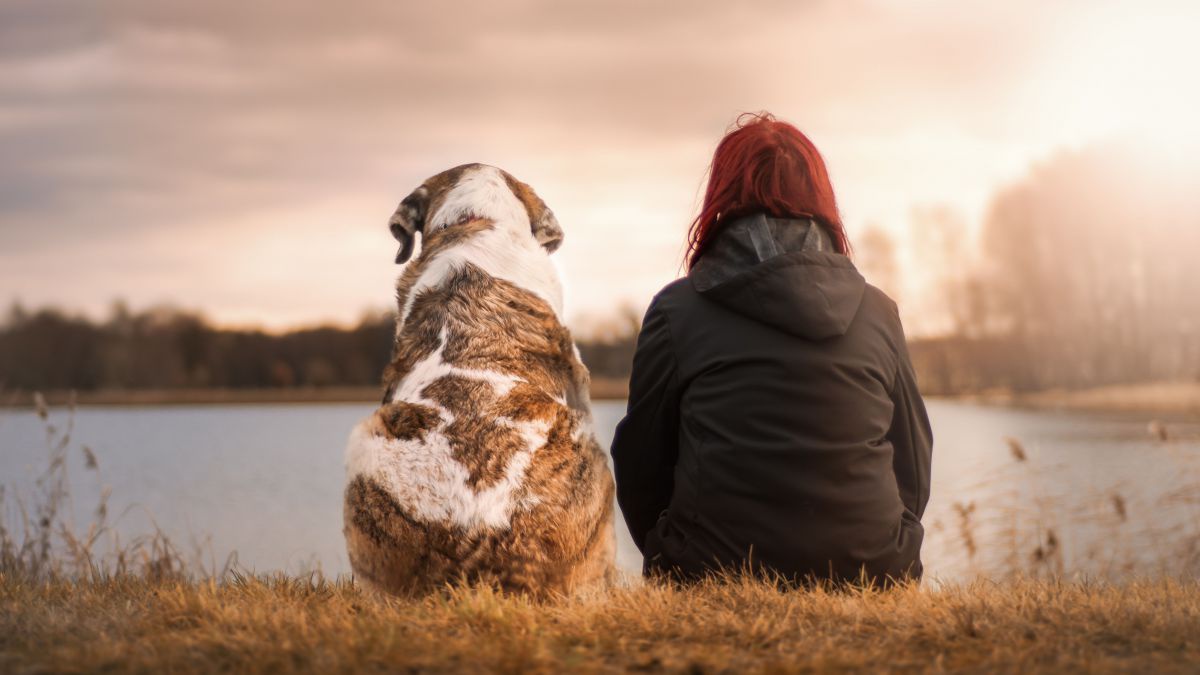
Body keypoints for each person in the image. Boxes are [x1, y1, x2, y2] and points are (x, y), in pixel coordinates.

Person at [610, 112, 932, 586]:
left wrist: (670, 550)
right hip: (873, 571)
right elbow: (914, 461)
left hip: (710, 571)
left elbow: (640, 462)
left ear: (721, 196)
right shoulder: (878, 311)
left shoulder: (677, 311)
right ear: (820, 198)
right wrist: (887, 543)